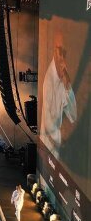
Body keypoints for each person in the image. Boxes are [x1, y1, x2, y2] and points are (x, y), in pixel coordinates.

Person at [40, 31, 77, 159]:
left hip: (55, 153)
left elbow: (73, 115)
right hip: (47, 150)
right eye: (59, 50)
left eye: (64, 52)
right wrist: (63, 139)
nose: (62, 56)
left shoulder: (63, 76)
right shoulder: (48, 81)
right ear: (53, 51)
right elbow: (49, 124)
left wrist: (68, 87)